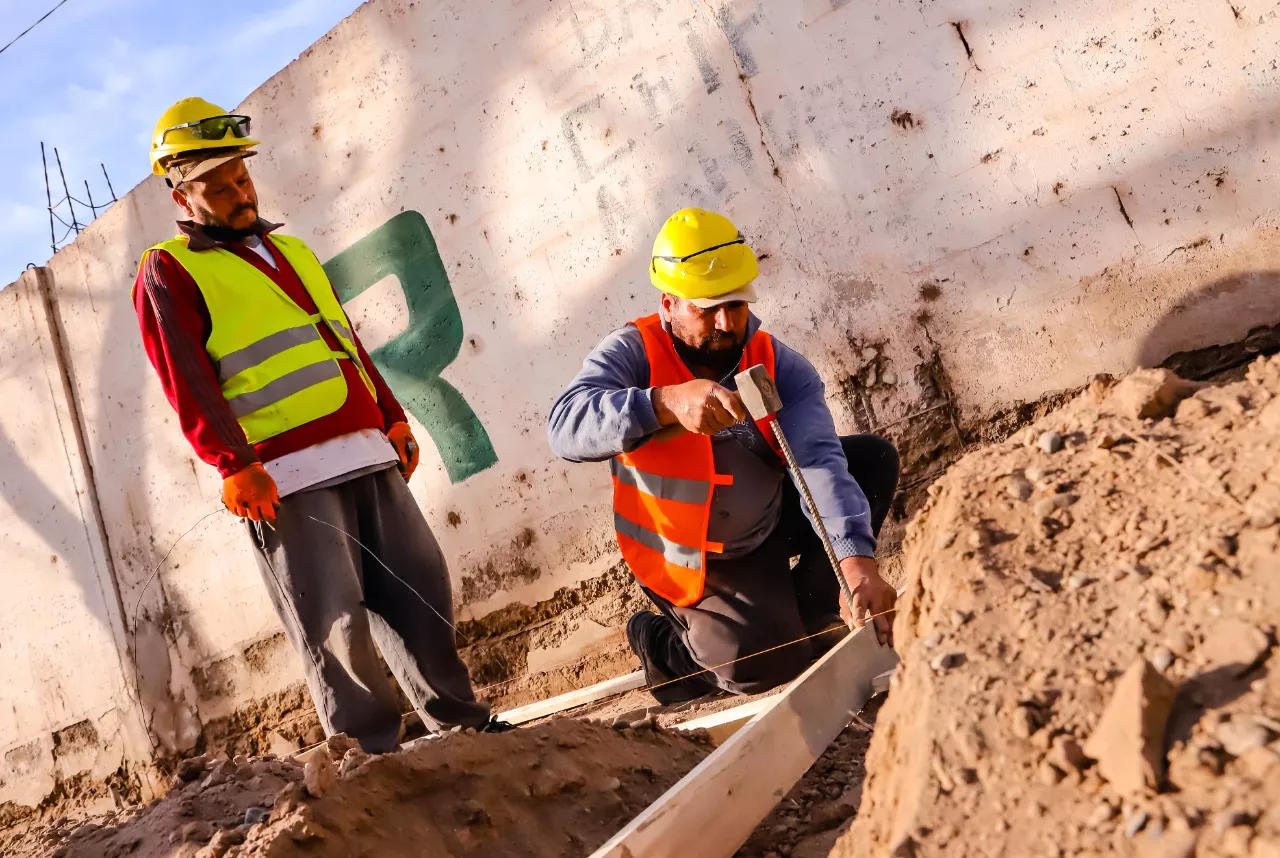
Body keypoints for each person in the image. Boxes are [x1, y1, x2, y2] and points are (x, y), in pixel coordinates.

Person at [132, 97, 507, 751]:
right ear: (182, 194)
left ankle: (463, 728)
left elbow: (347, 343)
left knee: (419, 593)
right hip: (285, 476)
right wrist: (234, 463)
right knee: (335, 624)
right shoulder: (170, 269)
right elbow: (186, 378)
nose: (238, 193)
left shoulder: (293, 250)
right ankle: (370, 757)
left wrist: (391, 418)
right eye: (218, 187)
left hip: (366, 449)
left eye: (242, 178)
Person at [547, 208, 901, 704]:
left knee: (871, 462)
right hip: (690, 557)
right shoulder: (633, 352)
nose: (725, 322)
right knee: (758, 669)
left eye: (735, 305)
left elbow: (818, 461)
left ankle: (813, 614)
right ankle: (664, 647)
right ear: (668, 303)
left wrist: (857, 565)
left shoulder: (775, 361)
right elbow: (565, 427)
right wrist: (663, 403)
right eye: (707, 308)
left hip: (767, 521)